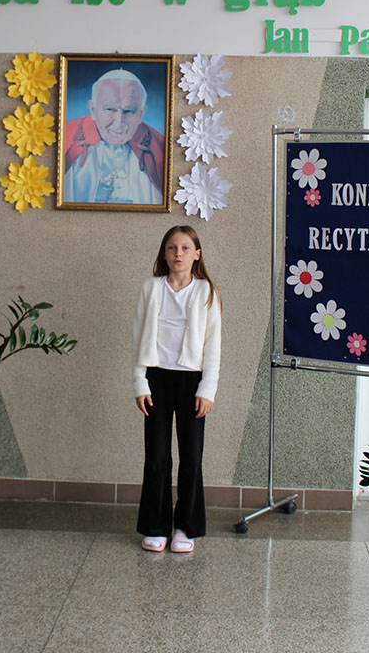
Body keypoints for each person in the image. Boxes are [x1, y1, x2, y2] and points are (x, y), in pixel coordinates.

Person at [131, 225, 222, 553]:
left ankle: (186, 527)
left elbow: (213, 345)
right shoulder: (150, 288)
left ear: (197, 254)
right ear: (164, 253)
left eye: (185, 248)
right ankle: (156, 526)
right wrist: (139, 382)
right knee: (157, 456)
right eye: (171, 248)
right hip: (156, 379)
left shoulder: (206, 292)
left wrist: (207, 389)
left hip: (191, 382)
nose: (178, 254)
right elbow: (138, 337)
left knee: (191, 456)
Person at [63, 69, 165, 204]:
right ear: (93, 109)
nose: (118, 122)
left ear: (141, 114)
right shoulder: (64, 138)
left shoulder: (160, 146)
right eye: (110, 110)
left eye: (128, 111)